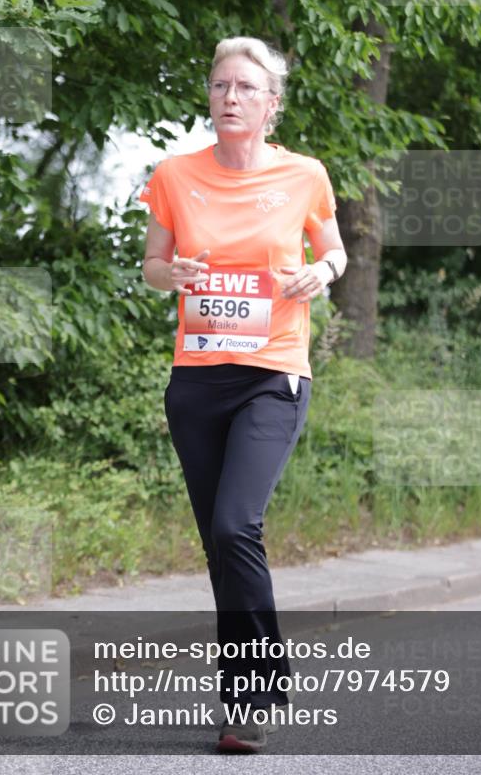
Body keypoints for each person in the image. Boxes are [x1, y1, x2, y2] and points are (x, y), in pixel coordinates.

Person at [140, 36, 346, 753]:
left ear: (271, 104)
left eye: (245, 88)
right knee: (219, 548)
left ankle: (256, 689)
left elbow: (334, 249)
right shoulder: (174, 174)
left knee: (236, 528)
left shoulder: (304, 174)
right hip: (197, 381)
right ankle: (243, 698)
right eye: (220, 85)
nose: (230, 97)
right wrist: (173, 274)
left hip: (271, 374)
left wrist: (320, 273)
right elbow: (152, 265)